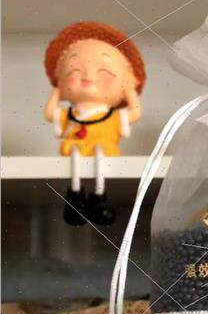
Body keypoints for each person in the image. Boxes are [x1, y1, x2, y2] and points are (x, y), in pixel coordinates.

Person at [44, 22, 146, 226]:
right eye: (75, 70)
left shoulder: (112, 116)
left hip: (102, 148)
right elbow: (50, 114)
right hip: (75, 148)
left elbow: (134, 113)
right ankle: (75, 197)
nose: (89, 76)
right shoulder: (69, 114)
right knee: (75, 166)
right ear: (61, 81)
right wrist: (56, 94)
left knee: (100, 167)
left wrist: (130, 92)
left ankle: (99, 197)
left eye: (103, 71)